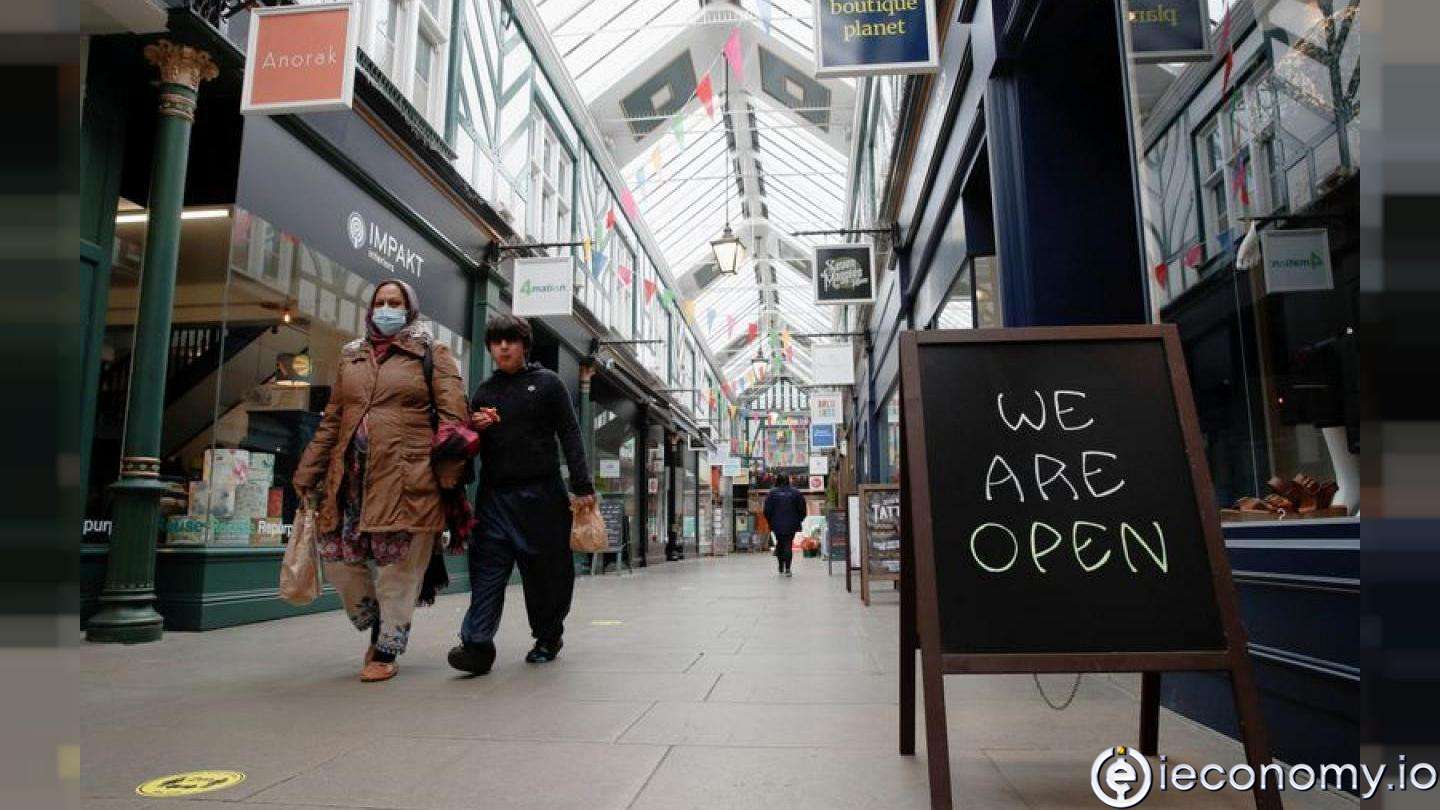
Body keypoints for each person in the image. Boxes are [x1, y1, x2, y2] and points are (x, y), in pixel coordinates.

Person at [294, 280, 469, 682]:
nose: (386, 309)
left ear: (410, 310)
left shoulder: (432, 353)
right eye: (380, 303)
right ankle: (374, 622)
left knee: (399, 567)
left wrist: (444, 476)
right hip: (350, 478)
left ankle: (387, 644)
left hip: (407, 477)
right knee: (338, 558)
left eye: (395, 303)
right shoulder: (351, 357)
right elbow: (334, 419)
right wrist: (309, 469)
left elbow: (454, 418)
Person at [449, 314, 594, 674]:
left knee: (545, 574)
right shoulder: (484, 392)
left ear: (524, 346)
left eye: (510, 340)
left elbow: (570, 434)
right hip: (495, 496)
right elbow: (467, 447)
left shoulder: (548, 384)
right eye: (496, 342)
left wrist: (582, 486)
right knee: (487, 572)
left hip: (542, 495)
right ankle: (477, 645)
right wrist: (473, 429)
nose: (503, 347)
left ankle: (548, 636)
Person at [763, 474, 807, 577]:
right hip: (792, 523)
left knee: (780, 543)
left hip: (776, 523)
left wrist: (770, 521)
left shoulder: (772, 493)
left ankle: (780, 565)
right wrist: (799, 520)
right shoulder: (796, 493)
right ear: (788, 480)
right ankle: (788, 568)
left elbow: (767, 510)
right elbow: (802, 509)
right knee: (788, 544)